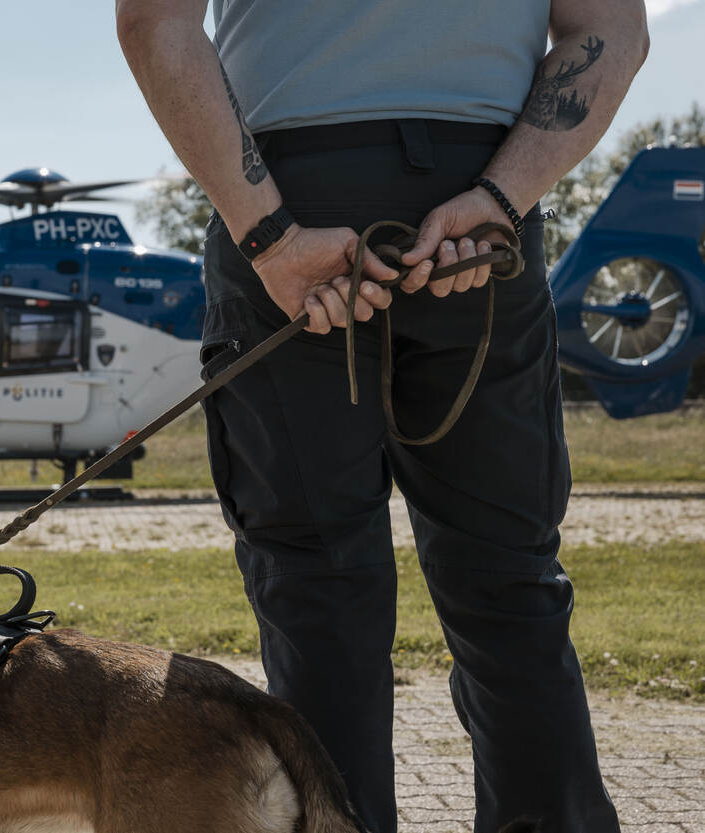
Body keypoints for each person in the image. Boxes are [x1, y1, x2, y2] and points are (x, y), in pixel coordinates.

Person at [116, 1, 649, 831]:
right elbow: (610, 28)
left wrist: (269, 238)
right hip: (482, 218)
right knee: (509, 585)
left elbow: (152, 21)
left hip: (288, 196)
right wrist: (501, 199)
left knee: (317, 591)